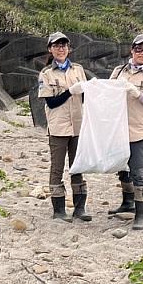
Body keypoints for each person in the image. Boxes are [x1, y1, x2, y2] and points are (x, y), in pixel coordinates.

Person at [108, 33, 143, 230]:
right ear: (131, 50)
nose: (142, 53)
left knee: (140, 173)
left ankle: (140, 215)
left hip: (141, 131)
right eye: (138, 49)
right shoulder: (119, 70)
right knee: (123, 170)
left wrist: (138, 94)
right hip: (119, 129)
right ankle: (127, 203)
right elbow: (108, 93)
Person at [37, 32, 90, 222]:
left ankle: (80, 209)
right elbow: (51, 102)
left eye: (64, 45)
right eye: (57, 45)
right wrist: (69, 92)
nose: (61, 49)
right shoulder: (46, 74)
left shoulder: (78, 70)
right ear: (50, 49)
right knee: (57, 169)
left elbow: (85, 97)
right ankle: (59, 210)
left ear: (69, 48)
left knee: (77, 167)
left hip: (77, 127)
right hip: (58, 128)